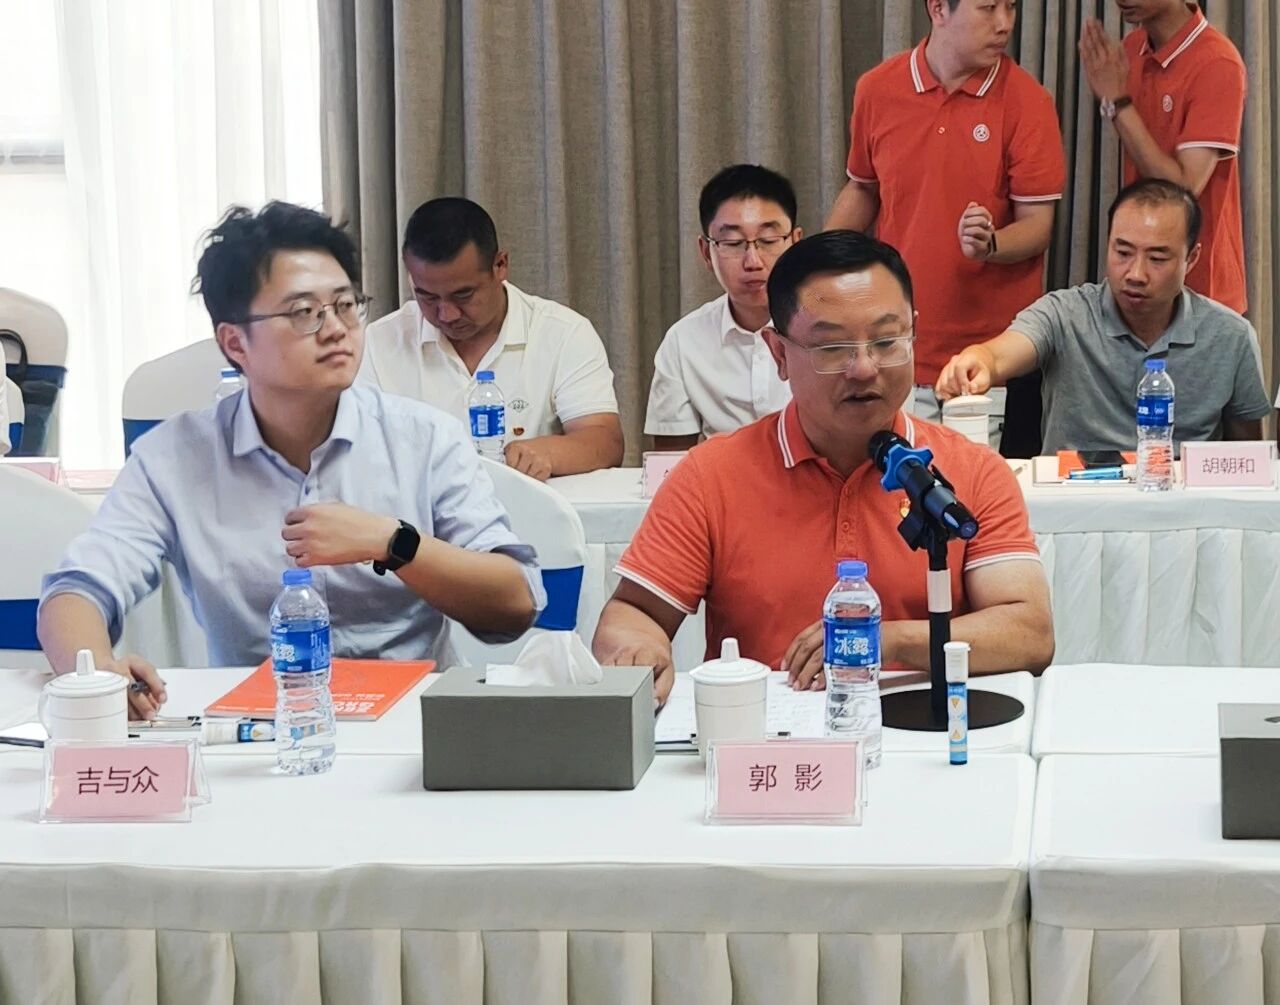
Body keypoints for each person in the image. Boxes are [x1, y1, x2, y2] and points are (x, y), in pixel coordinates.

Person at [38, 202, 545, 720]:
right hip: (257, 730)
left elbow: (515, 602)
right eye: (304, 313)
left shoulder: (425, 439)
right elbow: (77, 590)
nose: (336, 329)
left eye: (345, 305)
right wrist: (96, 676)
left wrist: (394, 543)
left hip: (411, 728)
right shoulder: (174, 458)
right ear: (235, 342)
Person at [593, 231, 1054, 704]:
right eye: (832, 347)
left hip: (923, 731)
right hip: (765, 735)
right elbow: (634, 612)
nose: (864, 368)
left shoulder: (972, 471)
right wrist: (636, 651)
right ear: (779, 354)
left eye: (887, 341)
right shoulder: (712, 475)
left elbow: (1029, 632)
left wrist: (887, 640)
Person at [825, 0, 1066, 448]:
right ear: (938, 9)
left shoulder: (1029, 101)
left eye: (1011, 8)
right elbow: (863, 189)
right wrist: (813, 268)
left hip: (988, 362)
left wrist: (991, 245)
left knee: (977, 488)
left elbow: (1038, 226)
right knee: (891, 485)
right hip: (893, 349)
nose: (1004, 24)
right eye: (988, 8)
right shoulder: (877, 89)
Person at [935, 179, 1269, 453]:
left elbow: (1247, 459)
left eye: (1157, 258)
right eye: (1122, 252)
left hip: (1183, 506)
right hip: (1076, 504)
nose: (1135, 273)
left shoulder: (1231, 337)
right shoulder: (1065, 314)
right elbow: (999, 353)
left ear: (1191, 259)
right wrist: (978, 359)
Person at [359, 197, 623, 481]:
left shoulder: (562, 332)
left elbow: (605, 440)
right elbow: (353, 452)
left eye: (463, 295)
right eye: (427, 297)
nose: (447, 314)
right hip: (420, 507)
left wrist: (546, 453)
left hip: (529, 506)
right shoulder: (378, 342)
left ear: (500, 265)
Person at [1080, 1, 1247, 314]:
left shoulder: (1217, 62)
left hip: (1200, 289)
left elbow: (1183, 187)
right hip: (1136, 279)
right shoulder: (1131, 49)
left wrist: (1116, 100)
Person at [644, 164, 798, 450]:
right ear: (706, 252)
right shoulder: (684, 340)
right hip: (723, 478)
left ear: (795, 243)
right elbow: (671, 462)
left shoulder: (830, 329)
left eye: (768, 241)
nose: (753, 261)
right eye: (733, 243)